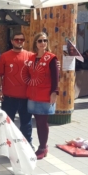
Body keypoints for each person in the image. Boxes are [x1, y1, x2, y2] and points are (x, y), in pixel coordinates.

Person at [0, 32, 34, 149]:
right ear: (12, 41)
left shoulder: (31, 56)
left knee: (26, 124)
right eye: (16, 39)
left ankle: (27, 145)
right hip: (9, 97)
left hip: (26, 97)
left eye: (21, 39)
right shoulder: (4, 56)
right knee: (7, 124)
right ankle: (7, 147)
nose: (19, 41)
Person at [27, 32, 59, 160]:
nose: (42, 43)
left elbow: (55, 77)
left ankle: (43, 147)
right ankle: (41, 145)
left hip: (45, 94)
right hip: (32, 94)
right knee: (36, 120)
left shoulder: (51, 58)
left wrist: (54, 92)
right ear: (35, 43)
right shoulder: (31, 58)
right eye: (40, 41)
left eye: (45, 40)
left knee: (42, 121)